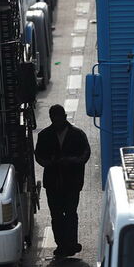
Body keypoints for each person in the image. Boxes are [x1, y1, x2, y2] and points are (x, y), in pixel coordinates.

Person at [35, 104, 91, 259]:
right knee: (57, 214)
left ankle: (71, 243)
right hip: (53, 184)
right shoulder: (45, 135)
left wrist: (72, 161)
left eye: (59, 118)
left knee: (71, 213)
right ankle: (61, 244)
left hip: (72, 183)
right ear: (51, 118)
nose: (57, 121)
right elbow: (39, 155)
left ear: (65, 117)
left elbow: (85, 154)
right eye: (54, 118)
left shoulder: (78, 134)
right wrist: (49, 162)